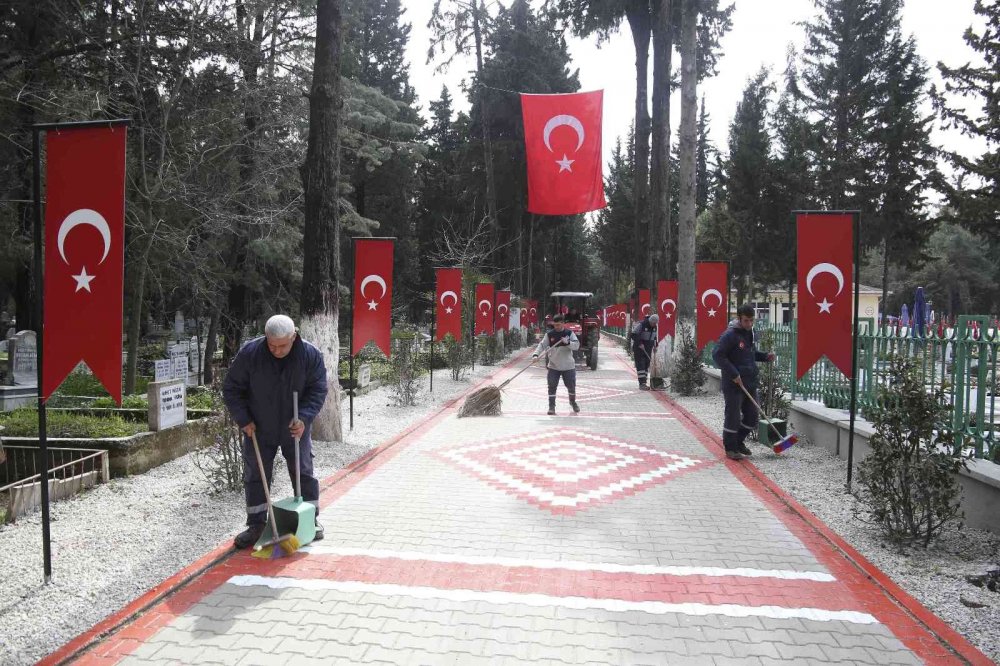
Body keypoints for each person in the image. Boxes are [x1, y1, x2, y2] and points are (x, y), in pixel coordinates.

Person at [223, 314, 329, 548]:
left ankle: (310, 520)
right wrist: (243, 419)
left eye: (282, 346)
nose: (277, 351)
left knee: (303, 470)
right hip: (258, 426)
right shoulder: (250, 353)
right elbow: (231, 388)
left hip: (295, 427)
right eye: (272, 345)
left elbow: (318, 389)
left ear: (294, 336)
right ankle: (256, 525)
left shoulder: (310, 355)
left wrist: (304, 417)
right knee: (256, 474)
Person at [712, 304, 776, 460]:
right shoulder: (729, 335)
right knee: (733, 416)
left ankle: (738, 441)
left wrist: (765, 356)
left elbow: (750, 354)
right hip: (734, 383)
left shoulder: (749, 334)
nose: (749, 324)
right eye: (746, 321)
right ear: (739, 318)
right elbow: (718, 355)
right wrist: (733, 373)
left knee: (752, 416)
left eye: (751, 320)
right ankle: (730, 447)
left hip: (749, 382)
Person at [532, 314, 580, 415]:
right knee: (552, 386)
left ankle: (573, 402)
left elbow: (576, 346)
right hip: (553, 366)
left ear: (563, 323)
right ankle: (552, 407)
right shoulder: (550, 334)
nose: (556, 327)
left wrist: (568, 343)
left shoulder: (569, 333)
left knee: (571, 386)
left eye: (558, 324)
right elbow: (542, 345)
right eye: (555, 325)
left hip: (568, 366)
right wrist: (536, 355)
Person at [629, 313, 659, 389]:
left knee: (646, 365)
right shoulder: (642, 325)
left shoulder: (655, 327)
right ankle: (641, 384)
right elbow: (633, 334)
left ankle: (644, 382)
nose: (654, 325)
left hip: (648, 348)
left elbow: (654, 337)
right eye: (653, 323)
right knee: (641, 365)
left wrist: (655, 345)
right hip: (639, 348)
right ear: (651, 321)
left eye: (656, 323)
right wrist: (640, 343)